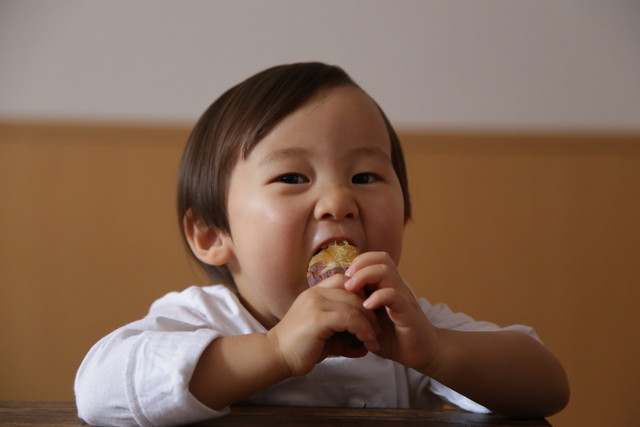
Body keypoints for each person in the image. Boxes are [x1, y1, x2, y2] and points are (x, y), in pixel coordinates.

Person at [75, 62, 569, 426]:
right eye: (292, 176)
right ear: (212, 234)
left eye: (366, 175)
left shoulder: (404, 327)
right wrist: (275, 350)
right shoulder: (204, 321)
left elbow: (547, 384)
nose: (339, 200)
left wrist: (437, 353)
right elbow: (97, 391)